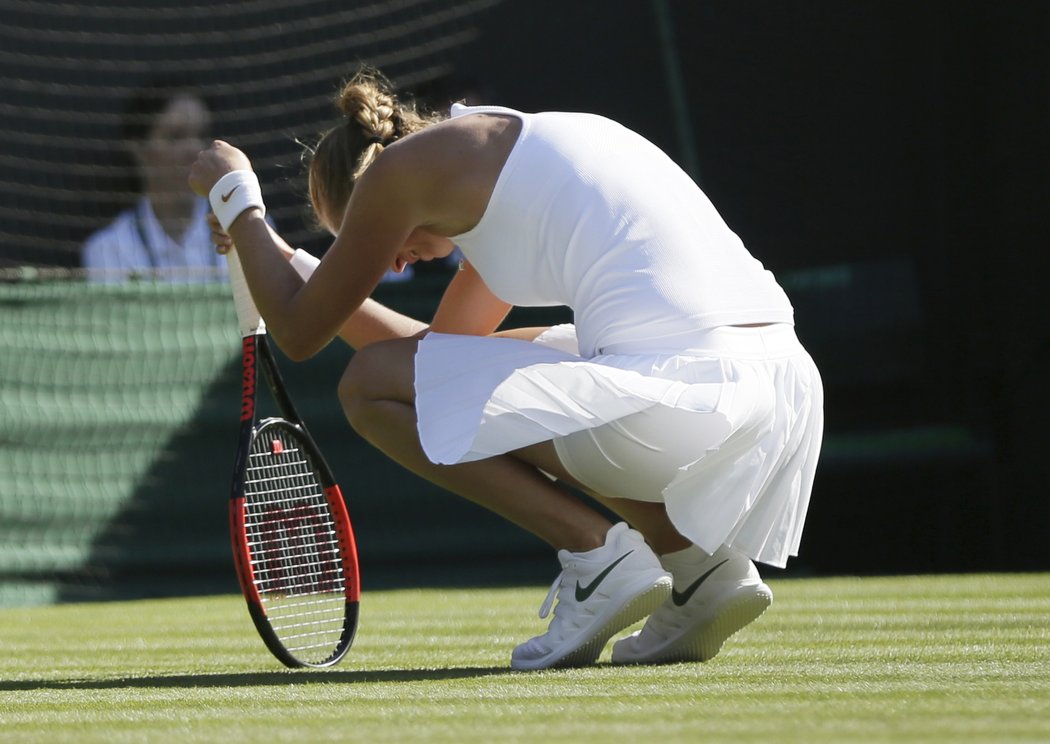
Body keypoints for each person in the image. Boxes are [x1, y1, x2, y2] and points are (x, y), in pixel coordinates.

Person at [189, 68, 824, 671]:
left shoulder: (402, 174)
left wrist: (237, 198)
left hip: (681, 406)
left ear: (372, 195)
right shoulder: (506, 156)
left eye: (367, 239)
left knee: (363, 387)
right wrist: (268, 250)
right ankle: (700, 572)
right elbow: (437, 363)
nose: (395, 266)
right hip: (780, 394)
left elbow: (301, 335)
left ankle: (597, 556)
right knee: (436, 380)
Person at [82, 78, 226, 282]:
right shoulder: (109, 250)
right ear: (138, 149)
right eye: (175, 137)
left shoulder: (248, 227)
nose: (194, 149)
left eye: (201, 135)